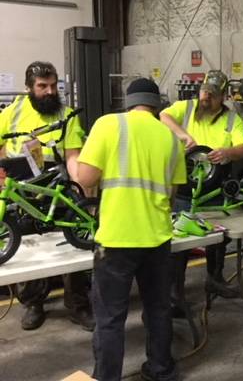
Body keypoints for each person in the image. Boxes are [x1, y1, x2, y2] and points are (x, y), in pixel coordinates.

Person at [76, 78, 186, 381]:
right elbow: (172, 195)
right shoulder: (171, 139)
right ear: (156, 103)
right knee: (158, 309)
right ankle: (161, 370)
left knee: (110, 318)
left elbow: (85, 179)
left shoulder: (109, 125)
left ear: (128, 100)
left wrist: (75, 162)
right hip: (158, 238)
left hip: (117, 239)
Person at [0, 61, 93, 331]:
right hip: (24, 189)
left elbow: (74, 155)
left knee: (74, 244)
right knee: (27, 247)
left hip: (58, 186)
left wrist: (82, 196)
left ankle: (77, 303)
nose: (49, 91)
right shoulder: (13, 111)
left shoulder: (66, 113)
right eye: (42, 87)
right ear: (29, 88)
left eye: (53, 86)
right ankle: (33, 302)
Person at [160, 70, 243, 298]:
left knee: (218, 238)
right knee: (179, 240)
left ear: (223, 97)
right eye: (204, 91)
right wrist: (183, 136)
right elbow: (164, 116)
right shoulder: (187, 107)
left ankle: (215, 279)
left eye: (212, 94)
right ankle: (174, 293)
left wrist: (227, 152)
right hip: (185, 185)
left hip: (215, 189)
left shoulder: (232, 119)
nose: (206, 97)